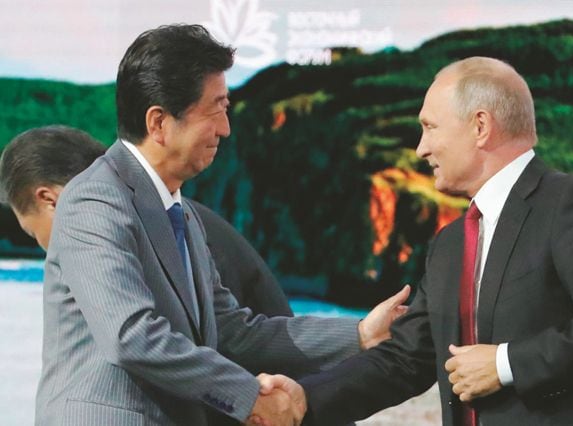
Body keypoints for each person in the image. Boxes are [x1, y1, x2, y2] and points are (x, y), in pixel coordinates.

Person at [15, 25, 408, 426]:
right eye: (215, 109)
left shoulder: (181, 213)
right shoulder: (94, 200)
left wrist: (361, 333)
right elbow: (130, 335)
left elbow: (232, 330)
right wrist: (249, 398)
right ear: (158, 123)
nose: (225, 128)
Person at [262, 56, 573, 425]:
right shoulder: (450, 243)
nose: (421, 148)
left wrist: (505, 363)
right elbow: (406, 358)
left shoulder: (569, 203)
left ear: (481, 126)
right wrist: (302, 399)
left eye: (430, 127)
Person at [0, 125, 292, 318]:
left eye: (33, 233)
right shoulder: (161, 212)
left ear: (49, 199)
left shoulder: (156, 230)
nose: (45, 251)